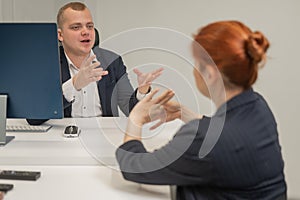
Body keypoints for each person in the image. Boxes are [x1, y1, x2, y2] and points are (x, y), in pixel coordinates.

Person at [116, 20, 287, 200]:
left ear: (210, 74)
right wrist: (184, 113)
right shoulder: (258, 106)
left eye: (196, 64)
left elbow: (133, 166)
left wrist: (135, 119)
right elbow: (231, 138)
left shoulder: (204, 141)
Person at [27, 2, 162, 125]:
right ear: (60, 35)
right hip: (62, 138)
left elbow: (131, 112)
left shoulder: (112, 61)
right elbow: (33, 117)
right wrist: (73, 85)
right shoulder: (46, 63)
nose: (86, 32)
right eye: (76, 27)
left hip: (103, 138)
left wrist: (142, 92)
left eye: (89, 26)